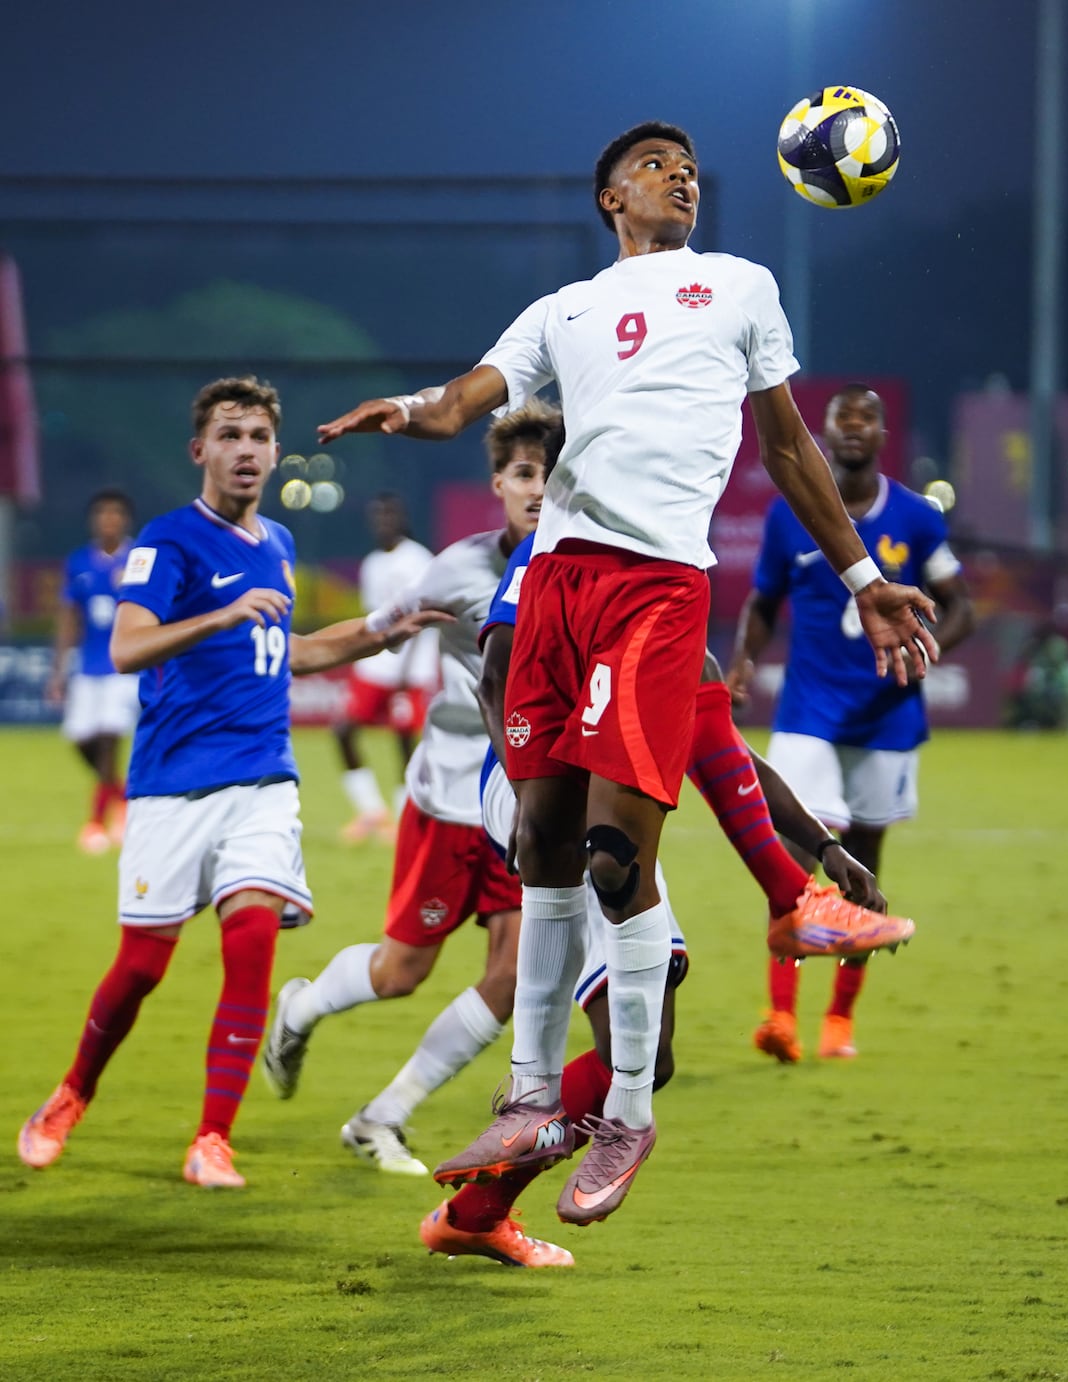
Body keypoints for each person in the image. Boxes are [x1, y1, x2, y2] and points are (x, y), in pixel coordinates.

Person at [317, 121, 937, 1223]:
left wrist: (862, 578)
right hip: (557, 583)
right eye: (655, 166)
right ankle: (530, 1100)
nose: (679, 176)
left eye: (688, 168)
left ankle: (629, 1112)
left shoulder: (739, 287)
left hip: (657, 586)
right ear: (611, 197)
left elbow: (788, 447)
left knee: (614, 856)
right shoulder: (563, 310)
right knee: (541, 847)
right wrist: (406, 412)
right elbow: (461, 401)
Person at [419, 528, 899, 1267]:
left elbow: (721, 745)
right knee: (619, 1029)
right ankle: (468, 1141)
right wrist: (526, 803)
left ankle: (477, 1209)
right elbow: (496, 679)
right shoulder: (559, 550)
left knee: (652, 1054)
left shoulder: (659, 580)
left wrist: (827, 847)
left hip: (613, 808)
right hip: (542, 796)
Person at [17, 376, 442, 1189]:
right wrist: (219, 613)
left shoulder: (277, 542)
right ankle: (72, 1092)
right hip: (172, 785)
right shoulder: (167, 542)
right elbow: (128, 647)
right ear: (200, 450)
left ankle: (213, 1138)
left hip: (262, 782)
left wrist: (382, 630)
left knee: (250, 945)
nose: (246, 450)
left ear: (276, 452)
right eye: (229, 435)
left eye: (258, 437)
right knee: (142, 968)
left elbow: (289, 653)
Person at [261, 401, 561, 1177]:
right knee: (402, 973)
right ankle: (302, 1005)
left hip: (528, 801)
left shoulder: (584, 564)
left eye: (550, 474)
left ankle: (382, 1116)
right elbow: (368, 632)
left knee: (513, 975)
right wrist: (278, 653)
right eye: (523, 473)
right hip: (452, 797)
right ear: (498, 482)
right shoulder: (458, 569)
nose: (537, 488)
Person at [729, 383, 974, 1064]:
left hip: (887, 714)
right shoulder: (790, 514)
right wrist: (743, 663)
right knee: (796, 859)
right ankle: (780, 1015)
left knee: (864, 868)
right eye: (844, 418)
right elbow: (763, 602)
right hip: (808, 712)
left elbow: (961, 606)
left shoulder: (917, 518)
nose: (856, 427)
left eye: (868, 417)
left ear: (883, 434)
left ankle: (840, 1020)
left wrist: (929, 651)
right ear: (826, 434)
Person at [334, 492, 436, 842]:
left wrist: (406, 668)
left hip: (412, 667)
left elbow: (424, 614)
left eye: (389, 514)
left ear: (401, 518)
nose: (383, 521)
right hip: (377, 665)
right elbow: (373, 619)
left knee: (405, 740)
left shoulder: (417, 559)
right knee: (343, 729)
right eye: (378, 515)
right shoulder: (373, 564)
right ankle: (371, 811)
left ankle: (404, 819)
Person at [47, 488, 139, 853]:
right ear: (93, 520)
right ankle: (124, 797)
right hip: (88, 666)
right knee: (80, 739)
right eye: (102, 514)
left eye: (115, 513)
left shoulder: (139, 560)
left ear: (125, 520)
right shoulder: (79, 562)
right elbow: (69, 618)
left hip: (125, 666)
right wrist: (58, 671)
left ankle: (97, 821)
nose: (108, 520)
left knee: (108, 736)